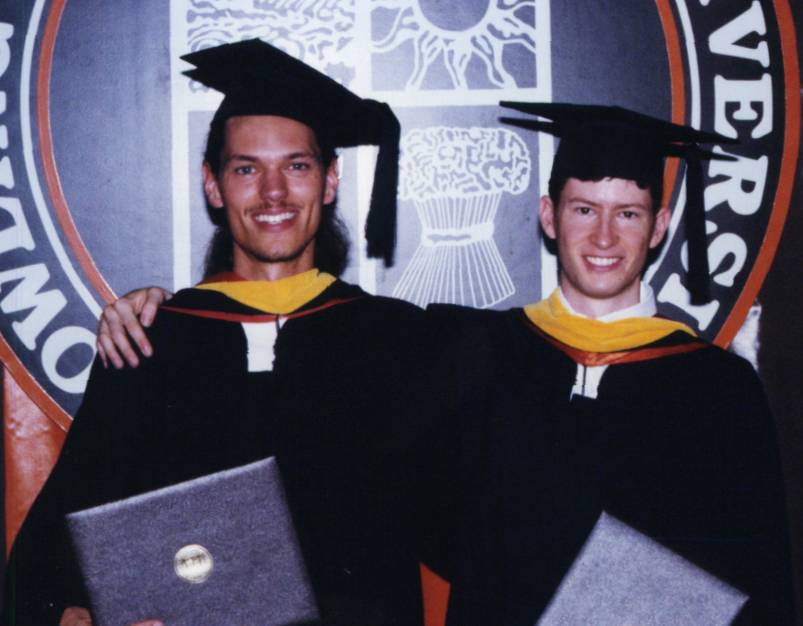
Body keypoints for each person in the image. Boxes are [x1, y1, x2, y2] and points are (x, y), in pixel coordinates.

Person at [3, 39, 449, 626]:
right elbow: (55, 552)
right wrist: (77, 613)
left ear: (330, 180)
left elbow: (473, 517)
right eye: (246, 169)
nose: (273, 192)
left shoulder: (397, 341)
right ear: (212, 185)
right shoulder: (150, 345)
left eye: (297, 165)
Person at [434, 102, 794, 625]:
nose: (604, 237)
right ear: (549, 216)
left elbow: (756, 575)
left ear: (658, 227)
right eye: (584, 209)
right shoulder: (481, 356)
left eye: (628, 213)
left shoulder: (719, 388)